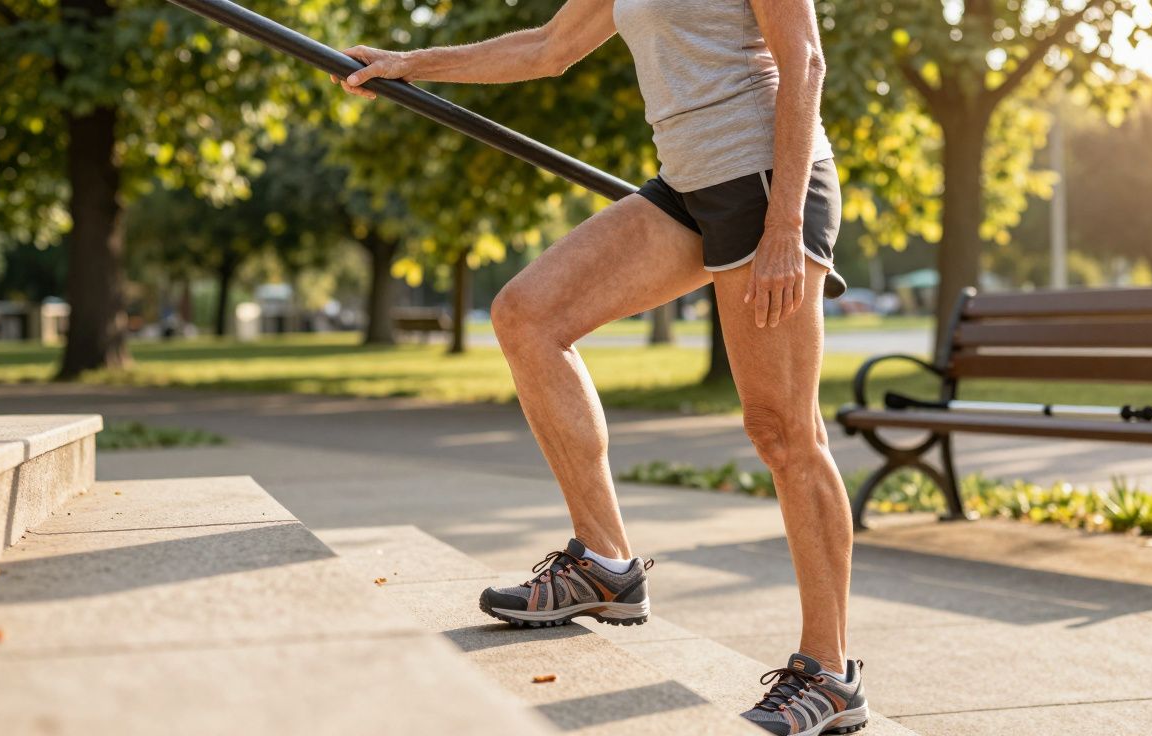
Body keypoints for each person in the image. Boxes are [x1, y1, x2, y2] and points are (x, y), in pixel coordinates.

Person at [333, 1, 865, 732]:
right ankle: (605, 566)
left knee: (781, 431)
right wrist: (412, 64)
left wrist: (784, 228)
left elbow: (804, 59)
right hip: (686, 188)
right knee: (530, 316)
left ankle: (830, 674)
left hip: (769, 178)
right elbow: (550, 46)